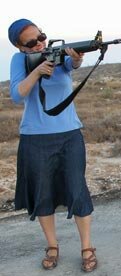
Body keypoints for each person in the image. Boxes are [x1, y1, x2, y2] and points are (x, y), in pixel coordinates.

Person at [8, 19, 97, 272]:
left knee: (77, 189)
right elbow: (16, 95)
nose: (40, 44)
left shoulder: (56, 55)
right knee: (42, 193)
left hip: (69, 134)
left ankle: (87, 247)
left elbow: (73, 64)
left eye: (41, 37)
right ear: (20, 47)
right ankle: (52, 245)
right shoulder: (19, 61)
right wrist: (37, 72)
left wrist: (77, 58)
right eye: (32, 42)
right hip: (35, 137)